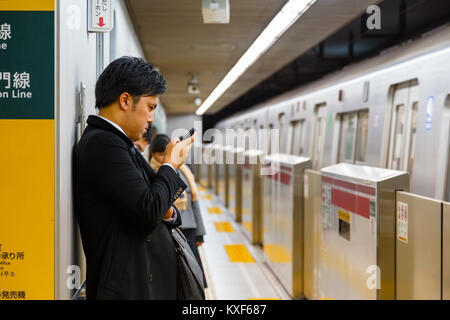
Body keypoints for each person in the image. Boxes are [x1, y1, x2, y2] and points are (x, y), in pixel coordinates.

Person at [73, 56, 195, 300]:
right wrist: (170, 164)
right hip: (127, 291)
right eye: (150, 107)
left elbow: (156, 202)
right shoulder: (103, 144)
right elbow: (149, 209)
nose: (151, 118)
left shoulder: (118, 143)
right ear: (126, 100)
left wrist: (169, 213)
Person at [149, 134, 208, 288]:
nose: (164, 157)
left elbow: (194, 201)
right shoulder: (151, 172)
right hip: (167, 231)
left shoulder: (183, 170)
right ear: (153, 154)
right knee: (174, 277)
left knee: (194, 276)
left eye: (166, 153)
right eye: (160, 154)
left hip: (188, 230)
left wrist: (199, 233)